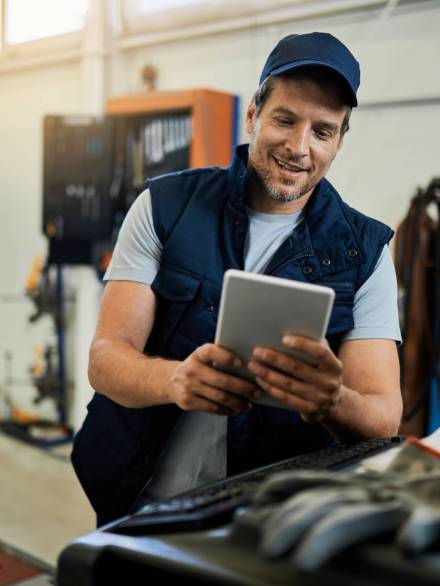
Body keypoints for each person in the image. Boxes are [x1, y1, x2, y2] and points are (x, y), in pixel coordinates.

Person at [72, 32, 403, 526]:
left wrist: (333, 401)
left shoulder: (365, 251)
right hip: (135, 498)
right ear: (253, 115)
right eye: (285, 120)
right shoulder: (165, 207)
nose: (298, 147)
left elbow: (383, 416)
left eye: (322, 131)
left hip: (265, 517)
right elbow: (106, 359)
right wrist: (175, 380)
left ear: (339, 141)